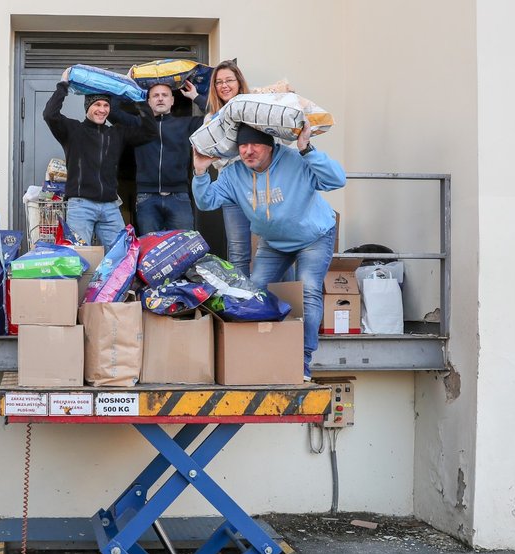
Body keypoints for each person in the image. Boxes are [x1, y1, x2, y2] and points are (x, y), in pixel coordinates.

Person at [191, 122, 345, 381]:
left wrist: (308, 150)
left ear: (271, 146)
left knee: (308, 290)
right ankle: (259, 351)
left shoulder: (295, 161)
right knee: (254, 291)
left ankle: (302, 360)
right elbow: (206, 202)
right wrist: (200, 171)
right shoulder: (233, 174)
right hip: (273, 242)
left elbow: (337, 179)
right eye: (243, 146)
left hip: (314, 236)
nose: (248, 151)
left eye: (255, 145)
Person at [43, 68, 158, 249]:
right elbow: (50, 114)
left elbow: (150, 132)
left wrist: (138, 98)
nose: (102, 110)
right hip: (81, 206)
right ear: (88, 107)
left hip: (110, 207)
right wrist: (63, 85)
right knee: (78, 258)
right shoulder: (73, 130)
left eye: (106, 106)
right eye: (97, 105)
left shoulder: (117, 132)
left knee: (122, 256)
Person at [107, 81, 207, 235]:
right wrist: (125, 85)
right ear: (148, 101)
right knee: (149, 250)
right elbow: (112, 112)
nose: (160, 99)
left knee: (184, 248)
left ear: (172, 100)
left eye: (165, 95)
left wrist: (195, 96)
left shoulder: (186, 124)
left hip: (179, 197)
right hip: (146, 198)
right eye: (155, 96)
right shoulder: (137, 123)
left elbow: (219, 116)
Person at [204, 59, 255, 275]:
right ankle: (244, 301)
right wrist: (232, 158)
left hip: (259, 187)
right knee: (238, 251)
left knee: (273, 248)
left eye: (229, 80)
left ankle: (282, 297)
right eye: (219, 82)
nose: (224, 85)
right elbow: (212, 157)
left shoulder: (253, 110)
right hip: (232, 191)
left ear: (239, 82)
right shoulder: (211, 119)